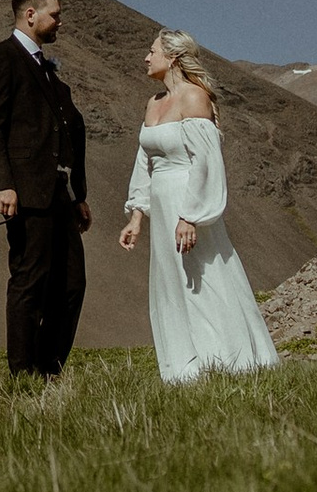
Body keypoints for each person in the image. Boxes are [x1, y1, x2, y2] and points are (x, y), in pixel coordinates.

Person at [117, 28, 278, 381]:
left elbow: (205, 162)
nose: (146, 57)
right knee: (171, 282)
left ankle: (229, 361)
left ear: (172, 57)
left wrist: (191, 215)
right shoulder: (153, 104)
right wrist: (137, 215)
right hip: (160, 206)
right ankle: (185, 370)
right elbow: (145, 162)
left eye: (152, 50)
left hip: (186, 202)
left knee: (203, 279)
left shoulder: (195, 98)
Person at [0, 0, 89, 379]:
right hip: (24, 192)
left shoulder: (50, 73)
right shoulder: (1, 57)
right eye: (55, 15)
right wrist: (1, 183)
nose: (60, 22)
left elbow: (68, 134)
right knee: (29, 281)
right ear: (31, 14)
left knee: (72, 284)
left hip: (60, 195)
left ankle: (48, 370)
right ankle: (23, 375)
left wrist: (79, 195)